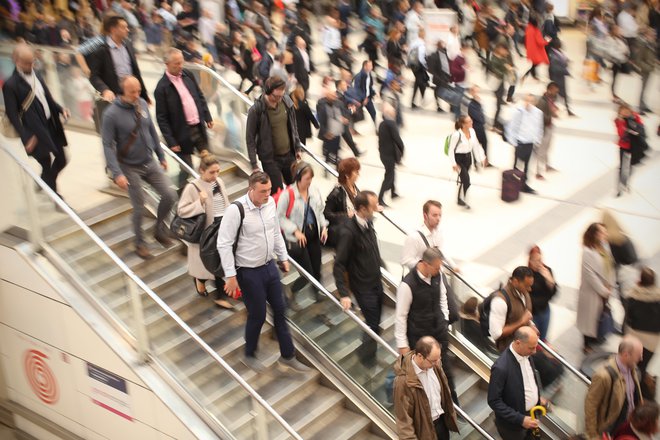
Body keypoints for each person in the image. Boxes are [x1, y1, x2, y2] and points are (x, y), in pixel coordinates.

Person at [217, 171, 310, 373]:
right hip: (248, 272)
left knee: (281, 310)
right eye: (262, 191)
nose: (267, 194)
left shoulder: (269, 204)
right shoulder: (236, 210)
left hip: (269, 267)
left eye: (269, 190)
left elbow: (275, 232)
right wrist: (230, 277)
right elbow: (223, 244)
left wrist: (283, 257)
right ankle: (249, 354)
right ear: (251, 189)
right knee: (257, 315)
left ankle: (288, 355)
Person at [101, 76, 177, 259]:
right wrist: (117, 173)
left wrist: (160, 155)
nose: (136, 95)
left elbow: (151, 129)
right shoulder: (111, 114)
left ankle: (159, 230)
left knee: (170, 195)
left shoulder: (141, 103)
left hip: (148, 161)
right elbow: (107, 145)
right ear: (122, 92)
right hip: (128, 167)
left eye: (138, 91)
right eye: (132, 92)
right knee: (139, 205)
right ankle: (139, 243)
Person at [395, 247, 460, 404]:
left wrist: (443, 319)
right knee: (424, 380)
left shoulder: (437, 276)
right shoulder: (408, 285)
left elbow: (443, 297)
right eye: (437, 267)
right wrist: (403, 348)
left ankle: (453, 406)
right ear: (425, 264)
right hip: (420, 340)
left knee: (446, 374)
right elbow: (400, 317)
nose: (439, 270)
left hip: (439, 335)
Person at [3, 43, 69, 196]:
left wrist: (61, 109)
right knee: (46, 163)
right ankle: (57, 199)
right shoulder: (10, 85)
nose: (30, 66)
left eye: (32, 62)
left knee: (62, 159)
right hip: (34, 131)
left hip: (50, 124)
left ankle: (44, 182)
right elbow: (12, 114)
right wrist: (26, 137)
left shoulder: (37, 74)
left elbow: (47, 98)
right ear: (15, 60)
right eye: (26, 63)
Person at [176, 153, 234, 309]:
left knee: (219, 261)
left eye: (218, 171)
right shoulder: (192, 187)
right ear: (201, 170)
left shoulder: (219, 182)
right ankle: (218, 294)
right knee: (213, 262)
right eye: (211, 172)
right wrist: (199, 202)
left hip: (221, 227)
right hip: (206, 232)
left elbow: (225, 202)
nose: (215, 175)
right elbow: (181, 211)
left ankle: (207, 285)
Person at [333, 190, 384, 361]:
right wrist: (344, 294)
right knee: (372, 324)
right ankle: (367, 360)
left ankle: (367, 353)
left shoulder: (368, 223)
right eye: (373, 206)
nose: (376, 208)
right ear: (362, 208)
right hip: (363, 286)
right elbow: (338, 264)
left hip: (376, 282)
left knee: (375, 322)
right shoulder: (349, 232)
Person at [154, 48, 213, 190]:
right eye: (176, 64)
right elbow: (161, 118)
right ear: (167, 64)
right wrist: (171, 140)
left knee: (209, 162)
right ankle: (181, 195)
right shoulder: (162, 88)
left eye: (181, 62)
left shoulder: (188, 74)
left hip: (197, 127)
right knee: (187, 168)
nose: (180, 66)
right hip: (181, 134)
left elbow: (199, 96)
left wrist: (207, 115)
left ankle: (206, 189)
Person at [277, 162, 329, 296]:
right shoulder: (288, 194)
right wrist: (295, 231)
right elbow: (280, 217)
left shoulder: (314, 190)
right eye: (307, 179)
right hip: (298, 239)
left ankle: (317, 292)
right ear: (298, 178)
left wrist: (323, 227)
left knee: (317, 267)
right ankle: (292, 292)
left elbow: (319, 211)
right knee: (307, 273)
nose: (309, 182)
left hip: (313, 234)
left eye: (311, 178)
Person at [393, 336, 459, 439]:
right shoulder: (403, 381)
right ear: (420, 356)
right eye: (433, 360)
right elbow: (404, 421)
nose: (437, 363)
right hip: (424, 432)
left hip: (442, 424)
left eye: (438, 359)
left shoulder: (434, 365)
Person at [245, 76, 303, 195]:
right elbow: (250, 138)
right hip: (271, 159)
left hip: (289, 155)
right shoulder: (256, 110)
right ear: (267, 92)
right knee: (278, 193)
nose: (279, 99)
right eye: (276, 96)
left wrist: (297, 147)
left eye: (281, 95)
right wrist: (254, 164)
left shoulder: (286, 102)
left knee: (296, 188)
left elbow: (293, 126)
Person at [488, 326, 545, 440]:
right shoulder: (501, 368)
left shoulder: (526, 354)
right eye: (531, 348)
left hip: (531, 415)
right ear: (518, 343)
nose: (534, 352)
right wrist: (520, 419)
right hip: (513, 427)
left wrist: (537, 398)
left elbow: (529, 379)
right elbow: (494, 401)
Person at [584, 336, 644, 439]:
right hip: (610, 430)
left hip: (627, 424)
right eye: (638, 355)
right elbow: (591, 406)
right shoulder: (603, 376)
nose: (641, 358)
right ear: (626, 355)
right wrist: (593, 436)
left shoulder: (633, 369)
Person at [84, 15, 149, 104]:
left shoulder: (128, 45)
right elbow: (94, 76)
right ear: (113, 29)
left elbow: (136, 72)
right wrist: (105, 90)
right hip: (115, 98)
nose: (127, 30)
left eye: (127, 27)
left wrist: (144, 95)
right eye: (123, 27)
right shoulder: (101, 49)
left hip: (133, 95)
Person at [577, 222, 616, 353]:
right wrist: (604, 290)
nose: (605, 235)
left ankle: (598, 337)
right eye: (602, 232)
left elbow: (609, 265)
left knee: (599, 316)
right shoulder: (588, 252)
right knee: (589, 319)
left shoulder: (604, 247)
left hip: (605, 289)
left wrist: (610, 284)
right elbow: (590, 275)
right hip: (592, 293)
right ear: (594, 234)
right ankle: (587, 344)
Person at [401, 200, 458, 271]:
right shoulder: (414, 237)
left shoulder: (438, 233)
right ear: (425, 216)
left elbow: (442, 251)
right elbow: (406, 260)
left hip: (436, 278)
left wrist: (454, 266)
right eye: (434, 215)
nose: (438, 219)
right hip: (420, 279)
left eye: (440, 215)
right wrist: (424, 265)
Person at [624, 267, 660, 379]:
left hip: (634, 339)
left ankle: (628, 390)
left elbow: (627, 318)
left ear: (640, 280)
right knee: (643, 366)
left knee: (630, 366)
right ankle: (639, 390)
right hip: (651, 341)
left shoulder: (632, 296)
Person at [489, 267, 536, 351]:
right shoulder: (500, 301)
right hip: (507, 351)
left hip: (523, 348)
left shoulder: (524, 292)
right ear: (515, 281)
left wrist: (531, 325)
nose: (530, 289)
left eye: (530, 286)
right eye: (526, 286)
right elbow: (496, 334)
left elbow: (524, 314)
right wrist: (521, 322)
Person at [505, 94, 544, 194]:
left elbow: (539, 127)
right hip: (520, 142)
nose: (528, 103)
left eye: (531, 101)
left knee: (527, 165)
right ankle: (513, 185)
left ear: (534, 102)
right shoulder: (518, 112)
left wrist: (537, 140)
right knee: (517, 166)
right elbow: (511, 127)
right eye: (527, 100)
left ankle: (524, 184)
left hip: (530, 142)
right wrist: (513, 141)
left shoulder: (538, 113)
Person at [448, 115, 487, 209]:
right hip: (459, 159)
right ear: (463, 124)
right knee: (466, 181)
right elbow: (450, 150)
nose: (472, 122)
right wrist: (454, 164)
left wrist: (481, 158)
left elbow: (476, 146)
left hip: (468, 159)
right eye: (469, 121)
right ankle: (463, 199)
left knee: (463, 179)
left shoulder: (472, 132)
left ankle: (459, 198)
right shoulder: (457, 135)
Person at [324, 158, 360, 247]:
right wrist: (346, 215)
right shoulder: (336, 192)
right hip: (343, 230)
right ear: (347, 175)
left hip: (353, 227)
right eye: (356, 172)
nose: (358, 174)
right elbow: (327, 214)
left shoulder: (355, 188)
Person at [377, 103, 404, 207]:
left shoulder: (382, 123)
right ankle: (380, 198)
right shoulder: (391, 124)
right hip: (389, 155)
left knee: (391, 172)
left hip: (383, 153)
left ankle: (393, 192)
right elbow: (397, 140)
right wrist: (402, 151)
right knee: (389, 175)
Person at [528, 246, 557, 341]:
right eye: (535, 260)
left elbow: (554, 293)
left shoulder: (547, 270)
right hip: (533, 313)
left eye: (540, 260)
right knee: (532, 338)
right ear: (530, 261)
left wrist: (550, 281)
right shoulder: (527, 273)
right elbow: (527, 296)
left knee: (543, 338)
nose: (539, 263)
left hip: (545, 310)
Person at [614, 104, 644, 197]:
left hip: (635, 146)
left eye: (627, 112)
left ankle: (626, 182)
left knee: (631, 166)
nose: (625, 114)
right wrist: (622, 122)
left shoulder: (635, 118)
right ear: (619, 113)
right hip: (624, 146)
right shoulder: (619, 121)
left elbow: (641, 129)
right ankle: (620, 186)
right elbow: (621, 133)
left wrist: (632, 121)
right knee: (622, 167)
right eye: (623, 112)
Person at [535, 82, 560, 180]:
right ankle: (538, 172)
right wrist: (551, 114)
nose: (556, 92)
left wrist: (553, 111)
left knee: (547, 147)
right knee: (541, 150)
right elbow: (539, 115)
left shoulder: (551, 98)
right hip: (543, 128)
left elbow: (551, 108)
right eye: (554, 90)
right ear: (549, 89)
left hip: (549, 126)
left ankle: (546, 165)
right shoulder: (542, 101)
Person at [317, 85, 344, 167]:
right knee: (327, 152)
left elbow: (344, 113)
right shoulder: (322, 104)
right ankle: (326, 167)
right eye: (332, 95)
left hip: (337, 132)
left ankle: (336, 166)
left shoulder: (339, 103)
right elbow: (321, 120)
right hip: (328, 133)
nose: (334, 97)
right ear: (327, 96)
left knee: (336, 151)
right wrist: (325, 132)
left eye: (334, 95)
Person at [548, 40, 574, 116]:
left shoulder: (559, 53)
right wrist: (566, 71)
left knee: (563, 95)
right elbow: (554, 68)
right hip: (557, 78)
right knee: (555, 95)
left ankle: (568, 109)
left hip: (561, 78)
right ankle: (551, 110)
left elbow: (563, 62)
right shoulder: (553, 55)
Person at [521, 15, 549, 82]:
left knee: (534, 64)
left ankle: (533, 75)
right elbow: (540, 42)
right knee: (536, 64)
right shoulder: (536, 30)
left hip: (530, 50)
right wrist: (547, 41)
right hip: (536, 50)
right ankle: (526, 75)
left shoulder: (528, 28)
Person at [634, 28, 656, 115]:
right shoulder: (642, 44)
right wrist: (647, 67)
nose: (654, 36)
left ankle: (643, 104)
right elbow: (638, 60)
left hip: (649, 68)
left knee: (646, 88)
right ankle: (640, 106)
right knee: (643, 88)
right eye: (652, 34)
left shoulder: (651, 44)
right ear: (647, 35)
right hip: (645, 69)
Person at [467, 85, 490, 163]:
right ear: (472, 92)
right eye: (475, 91)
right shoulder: (471, 104)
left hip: (481, 127)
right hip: (475, 127)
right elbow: (477, 116)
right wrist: (483, 120)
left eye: (478, 91)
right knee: (475, 145)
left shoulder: (479, 102)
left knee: (485, 143)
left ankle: (485, 161)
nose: (477, 93)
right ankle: (476, 163)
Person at [352, 60, 377, 126]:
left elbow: (369, 86)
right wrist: (364, 98)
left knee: (373, 112)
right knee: (356, 113)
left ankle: (377, 128)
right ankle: (351, 127)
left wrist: (373, 93)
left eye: (372, 66)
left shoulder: (369, 75)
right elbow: (357, 89)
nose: (371, 67)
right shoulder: (358, 76)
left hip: (367, 98)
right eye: (370, 66)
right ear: (365, 66)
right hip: (360, 98)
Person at [409, 28, 429, 109]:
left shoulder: (414, 42)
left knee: (418, 82)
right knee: (420, 82)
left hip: (413, 65)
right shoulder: (421, 43)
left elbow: (409, 52)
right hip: (419, 66)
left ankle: (415, 101)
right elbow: (421, 57)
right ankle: (421, 100)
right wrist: (425, 65)